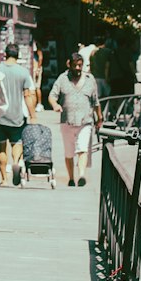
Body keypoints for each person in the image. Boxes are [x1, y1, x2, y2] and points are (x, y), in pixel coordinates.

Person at [47, 52, 102, 187]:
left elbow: (95, 102)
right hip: (67, 121)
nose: (78, 68)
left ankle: (81, 174)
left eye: (80, 65)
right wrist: (55, 105)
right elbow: (52, 96)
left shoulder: (90, 79)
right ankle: (71, 178)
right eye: (75, 65)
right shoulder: (62, 78)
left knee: (83, 148)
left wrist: (99, 118)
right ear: (69, 64)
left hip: (85, 121)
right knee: (69, 152)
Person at [0, 44, 33, 186]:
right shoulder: (23, 72)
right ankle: (16, 162)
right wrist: (33, 114)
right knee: (17, 143)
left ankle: (4, 179)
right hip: (17, 116)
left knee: (1, 147)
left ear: (5, 54)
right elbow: (28, 95)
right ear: (18, 55)